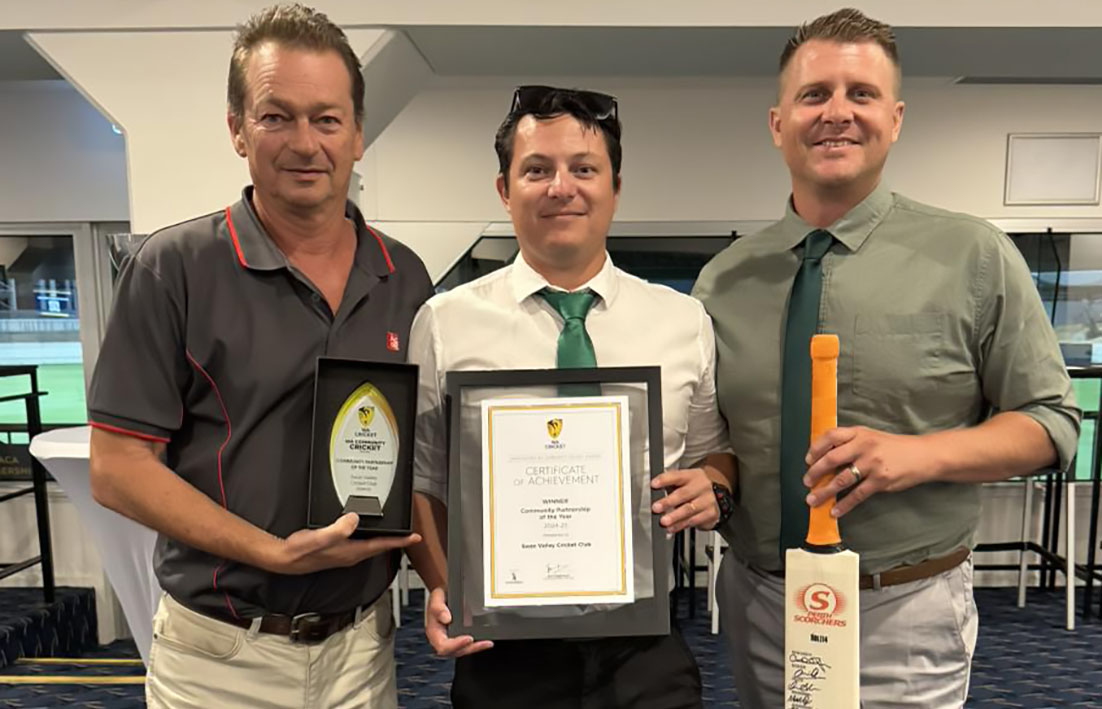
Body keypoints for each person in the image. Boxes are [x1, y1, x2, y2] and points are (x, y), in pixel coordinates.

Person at [693, 8, 1081, 709]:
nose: (837, 113)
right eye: (814, 94)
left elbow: (1052, 423)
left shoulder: (974, 255)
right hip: (762, 602)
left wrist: (917, 456)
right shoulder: (724, 279)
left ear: (895, 119)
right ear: (778, 123)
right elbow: (719, 436)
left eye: (861, 94)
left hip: (904, 608)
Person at [87, 4, 432, 707]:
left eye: (327, 119)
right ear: (238, 129)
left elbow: (423, 457)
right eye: (277, 117)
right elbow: (117, 468)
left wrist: (451, 584)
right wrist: (272, 552)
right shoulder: (173, 268)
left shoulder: (405, 276)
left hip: (362, 651)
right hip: (221, 657)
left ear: (358, 134)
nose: (305, 143)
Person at [406, 85, 736, 708]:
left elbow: (714, 454)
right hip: (502, 649)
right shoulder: (445, 322)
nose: (562, 187)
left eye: (584, 169)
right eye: (537, 170)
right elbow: (424, 479)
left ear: (615, 187)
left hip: (644, 644)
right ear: (504, 190)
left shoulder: (681, 320)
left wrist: (713, 487)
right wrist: (445, 586)